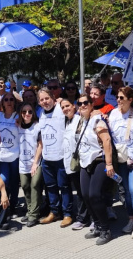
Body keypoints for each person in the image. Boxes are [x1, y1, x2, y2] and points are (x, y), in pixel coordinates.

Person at [108, 86, 133, 237]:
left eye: (121, 98)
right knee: (126, 191)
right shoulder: (113, 114)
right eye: (117, 97)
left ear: (130, 100)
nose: (118, 100)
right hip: (120, 157)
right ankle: (131, 219)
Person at [78, 94, 115, 246]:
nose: (83, 105)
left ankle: (106, 229)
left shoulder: (98, 120)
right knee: (86, 195)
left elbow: (106, 140)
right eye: (80, 103)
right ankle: (97, 224)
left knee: (95, 194)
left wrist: (109, 163)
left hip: (99, 160)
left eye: (86, 102)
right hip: (84, 162)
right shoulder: (81, 121)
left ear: (92, 104)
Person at [37, 87, 71, 224]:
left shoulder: (60, 109)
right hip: (46, 157)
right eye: (42, 99)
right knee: (50, 187)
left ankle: (68, 214)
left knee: (64, 186)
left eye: (47, 98)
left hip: (61, 156)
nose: (45, 102)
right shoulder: (40, 112)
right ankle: (54, 212)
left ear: (53, 98)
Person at [0, 93, 20, 229]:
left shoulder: (18, 116)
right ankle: (2, 208)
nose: (9, 102)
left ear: (15, 102)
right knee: (3, 181)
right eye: (6, 100)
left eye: (11, 100)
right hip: (1, 156)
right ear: (2, 103)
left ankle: (12, 207)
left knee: (14, 183)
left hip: (15, 155)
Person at [62, 97, 90, 229]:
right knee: (80, 191)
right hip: (71, 162)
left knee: (84, 191)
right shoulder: (67, 122)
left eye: (67, 106)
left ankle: (85, 218)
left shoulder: (81, 119)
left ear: (74, 106)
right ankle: (83, 217)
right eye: (62, 107)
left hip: (82, 161)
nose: (65, 109)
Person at [18, 102, 43, 228]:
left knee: (34, 185)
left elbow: (40, 145)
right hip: (22, 162)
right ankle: (30, 210)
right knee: (25, 185)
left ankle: (34, 214)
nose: (27, 114)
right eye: (24, 112)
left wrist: (35, 163)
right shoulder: (17, 126)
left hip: (36, 162)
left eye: (29, 111)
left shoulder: (37, 126)